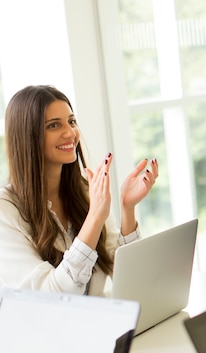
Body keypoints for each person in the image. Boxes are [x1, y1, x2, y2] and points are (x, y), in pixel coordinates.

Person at [0, 85, 158, 296]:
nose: (70, 133)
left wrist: (127, 209)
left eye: (72, 121)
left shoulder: (85, 191)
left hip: (95, 324)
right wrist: (94, 218)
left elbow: (130, 277)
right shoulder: (6, 210)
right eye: (54, 125)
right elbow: (53, 296)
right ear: (28, 136)